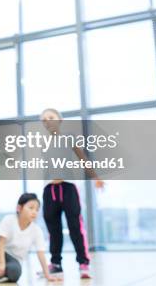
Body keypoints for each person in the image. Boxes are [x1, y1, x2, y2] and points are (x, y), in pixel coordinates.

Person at [40, 108, 105, 279]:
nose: (47, 121)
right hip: (49, 191)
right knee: (53, 230)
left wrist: (95, 177)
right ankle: (56, 264)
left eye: (51, 117)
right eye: (44, 119)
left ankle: (83, 263)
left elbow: (83, 159)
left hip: (68, 189)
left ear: (60, 119)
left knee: (75, 227)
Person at [0, 193, 57, 283]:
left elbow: (41, 254)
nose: (34, 212)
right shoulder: (8, 219)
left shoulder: (37, 230)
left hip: (14, 261)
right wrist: (2, 263)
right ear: (19, 208)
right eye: (31, 208)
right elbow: (1, 243)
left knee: (15, 271)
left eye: (37, 209)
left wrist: (47, 275)